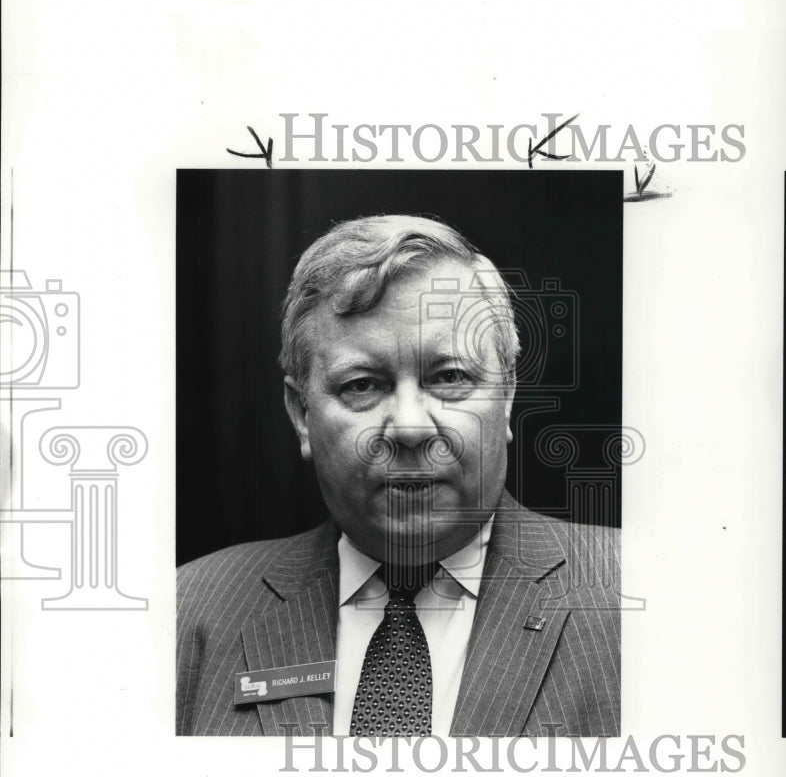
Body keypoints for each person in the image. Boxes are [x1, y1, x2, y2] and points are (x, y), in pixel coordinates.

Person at [177, 214, 620, 737]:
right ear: (301, 414)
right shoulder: (188, 613)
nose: (409, 427)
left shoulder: (639, 596)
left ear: (507, 399)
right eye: (362, 385)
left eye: (450, 377)